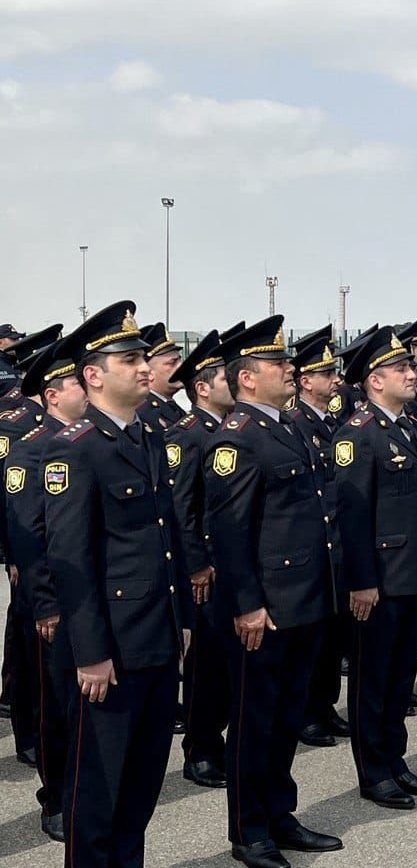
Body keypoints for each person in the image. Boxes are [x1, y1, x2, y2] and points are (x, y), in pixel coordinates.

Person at [43, 301, 194, 868]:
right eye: (130, 360)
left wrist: (181, 618)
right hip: (110, 647)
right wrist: (90, 653)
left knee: (142, 774)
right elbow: (71, 562)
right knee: (98, 779)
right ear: (94, 376)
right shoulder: (75, 452)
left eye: (142, 358)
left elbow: (168, 539)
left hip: (155, 633)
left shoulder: (147, 438)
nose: (145, 368)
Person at [204, 315, 342, 868]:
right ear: (247, 378)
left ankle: (280, 812)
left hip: (304, 599)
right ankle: (249, 829)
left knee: (286, 715)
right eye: (278, 365)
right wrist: (247, 604)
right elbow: (229, 532)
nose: (291, 370)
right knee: (254, 719)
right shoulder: (235, 439)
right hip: (264, 607)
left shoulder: (288, 428)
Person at [333, 327, 417, 809]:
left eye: (410, 366)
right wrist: (361, 582)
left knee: (400, 677)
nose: (412, 374)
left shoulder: (409, 427)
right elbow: (351, 517)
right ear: (374, 381)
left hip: (413, 573)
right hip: (379, 580)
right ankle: (374, 771)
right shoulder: (357, 436)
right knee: (373, 680)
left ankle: (395, 760)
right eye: (401, 369)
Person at [5, 333, 89, 840]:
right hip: (53, 602)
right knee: (55, 704)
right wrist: (45, 604)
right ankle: (54, 797)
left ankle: (81, 791)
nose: (85, 387)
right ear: (52, 393)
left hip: (91, 599)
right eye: (76, 381)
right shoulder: (30, 453)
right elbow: (27, 537)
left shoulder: (87, 443)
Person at [165, 330, 233, 788]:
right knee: (206, 666)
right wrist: (196, 566)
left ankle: (216, 740)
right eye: (228, 378)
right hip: (205, 571)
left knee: (225, 662)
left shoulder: (229, 432)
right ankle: (201, 750)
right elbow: (180, 508)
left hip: (231, 567)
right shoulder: (189, 436)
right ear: (203, 388)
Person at [288, 330, 352, 747]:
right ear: (306, 381)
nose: (335, 380)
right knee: (311, 643)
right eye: (326, 373)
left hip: (336, 544)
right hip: (315, 545)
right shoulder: (298, 424)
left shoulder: (333, 421)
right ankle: (307, 712)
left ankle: (325, 705)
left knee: (332, 635)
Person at [138, 323, 185, 430]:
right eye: (172, 363)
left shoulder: (174, 408)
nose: (180, 366)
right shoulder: (143, 414)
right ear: (148, 373)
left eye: (179, 359)